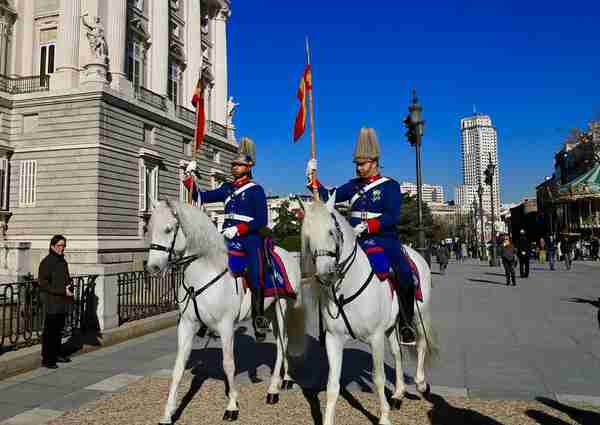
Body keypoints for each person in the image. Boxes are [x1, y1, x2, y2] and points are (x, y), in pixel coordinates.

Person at [306, 127, 417, 345]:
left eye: (362, 164)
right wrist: (312, 178)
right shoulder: (353, 185)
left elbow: (392, 216)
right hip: (356, 240)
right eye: (357, 164)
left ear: (374, 162)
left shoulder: (390, 186)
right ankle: (327, 324)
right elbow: (329, 196)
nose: (359, 168)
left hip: (384, 239)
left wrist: (370, 226)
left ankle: (406, 323)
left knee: (403, 272)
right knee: (325, 272)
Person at [184, 137, 270, 341]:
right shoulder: (227, 188)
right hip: (225, 236)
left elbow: (261, 219)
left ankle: (259, 318)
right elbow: (201, 197)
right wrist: (190, 178)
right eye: (233, 164)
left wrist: (240, 229)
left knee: (256, 272)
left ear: (248, 167)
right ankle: (206, 315)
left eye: (238, 164)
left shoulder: (256, 190)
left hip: (249, 237)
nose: (234, 167)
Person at [38, 235, 74, 369]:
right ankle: (47, 359)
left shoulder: (62, 261)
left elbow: (65, 278)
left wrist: (70, 286)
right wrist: (62, 290)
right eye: (59, 245)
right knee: (50, 332)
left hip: (62, 301)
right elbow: (43, 284)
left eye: (63, 245)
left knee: (58, 330)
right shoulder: (47, 262)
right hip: (52, 302)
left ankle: (57, 354)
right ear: (52, 246)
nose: (62, 248)